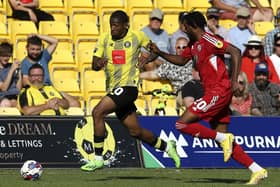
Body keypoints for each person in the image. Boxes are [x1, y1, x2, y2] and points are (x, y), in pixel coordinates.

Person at [147, 11, 267, 185]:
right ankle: (257, 170)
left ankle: (224, 139)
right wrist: (160, 53)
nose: (183, 29)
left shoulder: (209, 40)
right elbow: (181, 61)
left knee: (181, 123)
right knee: (222, 137)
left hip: (219, 91)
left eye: (185, 26)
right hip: (213, 92)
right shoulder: (194, 45)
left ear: (193, 26)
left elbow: (235, 52)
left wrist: (233, 80)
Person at [80, 10, 180, 172]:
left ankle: (98, 159)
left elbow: (155, 50)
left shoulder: (137, 36)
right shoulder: (104, 38)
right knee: (135, 131)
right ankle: (168, 147)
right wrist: (99, 63)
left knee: (98, 112)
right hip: (114, 89)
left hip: (129, 87)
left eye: (116, 25)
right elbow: (94, 64)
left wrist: (146, 59)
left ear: (126, 25)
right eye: (111, 25)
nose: (113, 28)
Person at [140, 37, 193, 108]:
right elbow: (152, 74)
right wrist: (136, 75)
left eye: (184, 47)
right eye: (178, 47)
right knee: (189, 99)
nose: (181, 50)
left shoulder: (195, 61)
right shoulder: (170, 64)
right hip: (183, 92)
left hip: (198, 88)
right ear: (175, 48)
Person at [0, 42, 22, 107]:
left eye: (8, 55)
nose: (6, 58)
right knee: (6, 103)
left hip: (15, 96)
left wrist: (19, 70)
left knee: (19, 103)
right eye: (3, 55)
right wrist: (11, 70)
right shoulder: (12, 67)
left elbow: (18, 88)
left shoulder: (12, 66)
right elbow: (3, 88)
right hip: (3, 97)